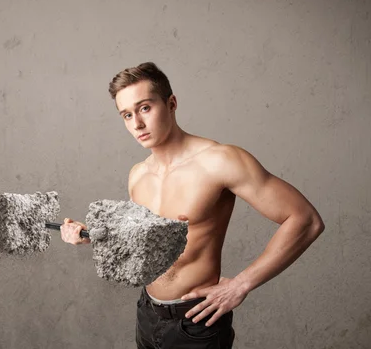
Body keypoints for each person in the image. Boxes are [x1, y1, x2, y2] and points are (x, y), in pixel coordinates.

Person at [60, 62, 325, 348]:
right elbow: (146, 243)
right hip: (148, 316)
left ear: (171, 103)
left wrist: (241, 284)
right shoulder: (138, 175)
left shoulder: (219, 161)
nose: (137, 123)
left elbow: (305, 220)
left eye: (145, 108)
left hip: (197, 323)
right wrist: (94, 235)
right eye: (127, 114)